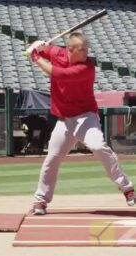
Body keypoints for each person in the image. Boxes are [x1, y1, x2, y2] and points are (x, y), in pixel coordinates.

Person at [26, 32, 136, 215]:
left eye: (87, 49)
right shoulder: (58, 53)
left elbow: (58, 74)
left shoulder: (87, 68)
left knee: (99, 147)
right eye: (82, 50)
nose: (87, 53)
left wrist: (36, 57)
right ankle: (40, 201)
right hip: (64, 121)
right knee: (52, 159)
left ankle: (127, 188)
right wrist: (38, 46)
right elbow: (44, 50)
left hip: (86, 118)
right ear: (70, 50)